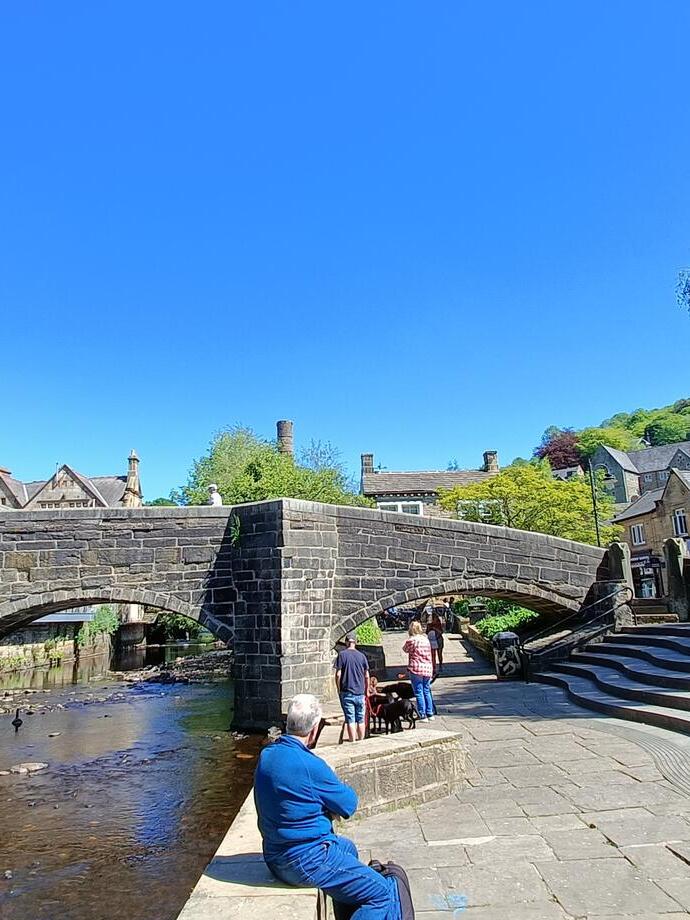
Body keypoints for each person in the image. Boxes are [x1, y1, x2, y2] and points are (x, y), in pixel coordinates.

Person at [254, 694, 402, 920]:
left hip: (274, 855)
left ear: (288, 724)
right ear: (314, 730)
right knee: (382, 893)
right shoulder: (311, 765)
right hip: (304, 861)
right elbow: (349, 804)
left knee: (348, 848)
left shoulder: (267, 755)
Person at [334, 632, 370, 742]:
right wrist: (367, 690)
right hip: (360, 692)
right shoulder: (362, 656)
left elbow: (338, 674)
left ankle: (352, 741)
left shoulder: (342, 655)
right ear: (356, 642)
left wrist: (338, 688)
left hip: (347, 692)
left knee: (350, 719)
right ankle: (361, 741)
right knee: (361, 719)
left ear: (346, 642)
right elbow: (367, 675)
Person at [402, 621, 435, 722]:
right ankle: (430, 713)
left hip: (416, 668)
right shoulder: (426, 639)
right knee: (427, 690)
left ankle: (422, 714)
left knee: (419, 692)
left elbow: (405, 649)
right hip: (427, 668)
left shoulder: (412, 640)